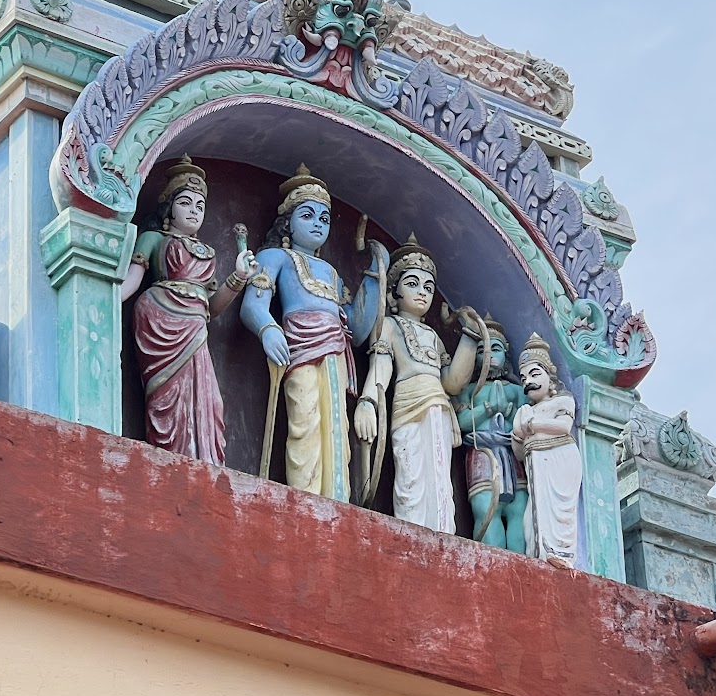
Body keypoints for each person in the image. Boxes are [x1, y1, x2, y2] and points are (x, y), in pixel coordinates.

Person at [240, 166, 385, 499]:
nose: (318, 224)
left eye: (325, 218)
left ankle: (337, 497)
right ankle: (304, 497)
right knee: (304, 420)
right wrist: (267, 329)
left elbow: (356, 328)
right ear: (288, 221)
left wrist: (375, 276)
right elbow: (254, 304)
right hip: (297, 346)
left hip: (335, 347)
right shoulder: (275, 256)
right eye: (308, 215)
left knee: (336, 424)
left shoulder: (332, 274)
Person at [119, 157, 254, 464]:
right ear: (170, 208)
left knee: (209, 401)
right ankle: (169, 457)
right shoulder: (154, 239)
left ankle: (201, 459)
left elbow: (213, 307)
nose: (194, 210)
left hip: (196, 325)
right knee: (167, 396)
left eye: (200, 205)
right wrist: (105, 301)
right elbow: (133, 280)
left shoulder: (209, 253)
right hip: (159, 318)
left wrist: (239, 276)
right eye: (185, 202)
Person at [355, 237, 478, 532]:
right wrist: (368, 402)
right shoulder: (390, 326)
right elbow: (381, 367)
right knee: (410, 479)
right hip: (407, 406)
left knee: (439, 477)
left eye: (428, 287)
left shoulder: (433, 337)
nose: (422, 293)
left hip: (438, 407)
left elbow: (450, 382)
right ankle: (412, 532)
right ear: (394, 291)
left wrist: (470, 339)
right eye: (412, 283)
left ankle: (442, 534)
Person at [453, 320, 528, 552]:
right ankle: (489, 562)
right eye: (481, 351)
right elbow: (461, 423)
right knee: (486, 510)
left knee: (518, 512)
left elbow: (527, 423)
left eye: (494, 349)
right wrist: (487, 409)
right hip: (482, 453)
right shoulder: (468, 390)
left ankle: (522, 567)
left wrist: (508, 410)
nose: (488, 355)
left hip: (511, 452)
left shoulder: (516, 390)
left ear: (506, 353)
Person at [512, 333, 584, 568]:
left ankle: (560, 555)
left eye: (534, 374)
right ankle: (539, 554)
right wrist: (517, 435)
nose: (527, 382)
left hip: (560, 458)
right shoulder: (525, 409)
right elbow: (520, 452)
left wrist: (532, 425)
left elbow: (564, 426)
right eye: (523, 377)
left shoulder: (563, 401)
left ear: (550, 377)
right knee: (530, 519)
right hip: (536, 464)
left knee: (558, 512)